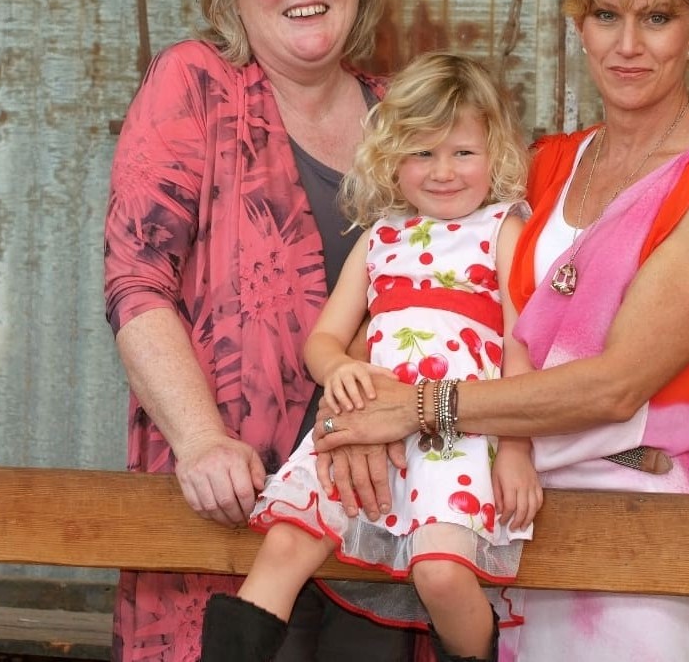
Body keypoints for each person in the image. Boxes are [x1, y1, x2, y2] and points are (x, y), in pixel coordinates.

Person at [311, 0, 689, 661]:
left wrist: (417, 408)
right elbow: (417, 286)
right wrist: (347, 404)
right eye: (605, 14)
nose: (626, 44)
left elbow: (613, 388)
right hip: (502, 503)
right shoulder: (542, 164)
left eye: (657, 18)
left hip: (636, 516)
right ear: (577, 25)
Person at [103, 0, 419, 661]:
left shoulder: (409, 121)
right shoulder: (197, 86)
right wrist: (201, 441)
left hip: (382, 514)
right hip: (231, 509)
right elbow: (136, 282)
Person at [201, 52, 543, 662]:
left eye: (462, 152)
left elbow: (521, 345)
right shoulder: (381, 236)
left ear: (496, 153)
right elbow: (323, 341)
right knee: (286, 547)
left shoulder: (502, 229)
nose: (443, 171)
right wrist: (340, 369)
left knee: (440, 574)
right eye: (421, 153)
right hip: (364, 425)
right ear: (392, 156)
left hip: (455, 434)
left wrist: (517, 450)